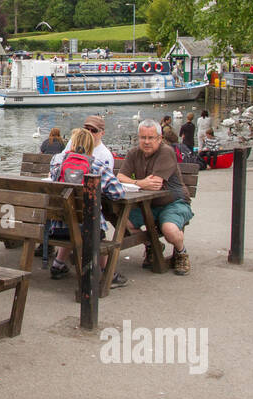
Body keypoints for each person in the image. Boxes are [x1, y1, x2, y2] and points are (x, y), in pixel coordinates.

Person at [47, 128, 126, 286]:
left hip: (59, 229)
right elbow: (119, 193)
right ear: (91, 146)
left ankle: (58, 264)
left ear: (72, 144)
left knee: (73, 221)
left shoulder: (58, 164)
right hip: (89, 231)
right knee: (96, 229)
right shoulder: (96, 166)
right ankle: (104, 272)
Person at [118, 120, 194, 275]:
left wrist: (135, 183)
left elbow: (155, 184)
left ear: (159, 138)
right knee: (123, 221)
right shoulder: (134, 153)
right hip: (147, 204)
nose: (146, 142)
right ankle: (153, 245)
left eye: (151, 138)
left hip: (174, 202)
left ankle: (181, 253)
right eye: (143, 137)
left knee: (169, 229)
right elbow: (120, 176)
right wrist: (139, 182)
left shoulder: (166, 152)